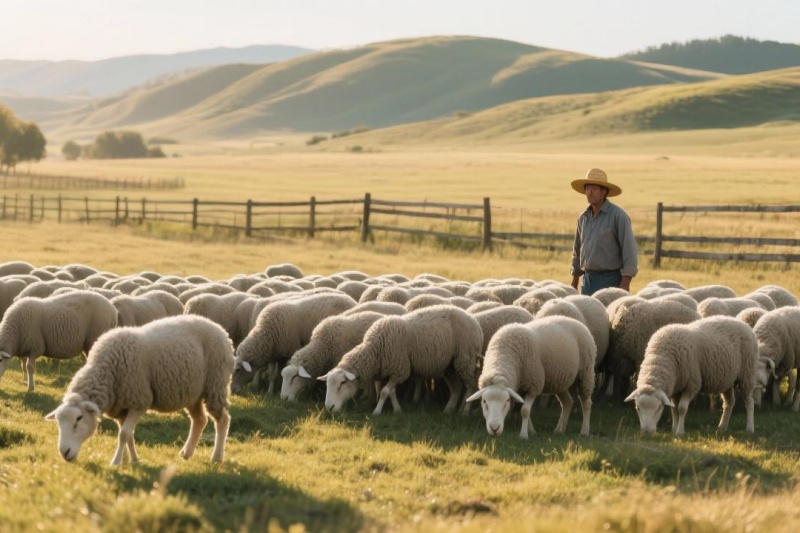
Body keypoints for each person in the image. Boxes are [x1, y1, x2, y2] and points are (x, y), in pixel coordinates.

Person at [570, 168, 638, 296]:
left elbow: (629, 251)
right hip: (587, 281)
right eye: (587, 189)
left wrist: (625, 282)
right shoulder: (583, 218)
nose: (589, 193)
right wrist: (575, 280)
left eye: (593, 189)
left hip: (610, 280)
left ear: (604, 191)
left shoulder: (618, 216)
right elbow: (577, 251)